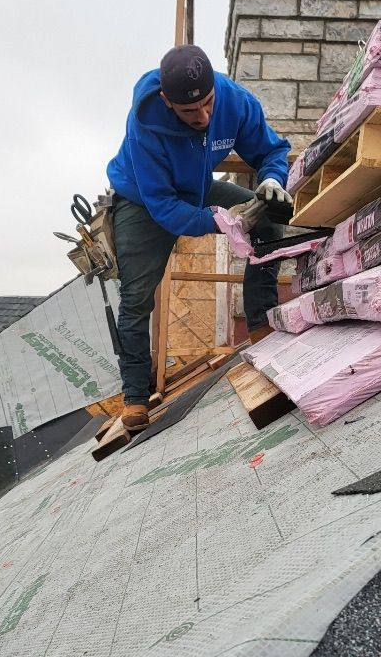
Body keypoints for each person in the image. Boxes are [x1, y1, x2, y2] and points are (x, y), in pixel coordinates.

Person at [106, 44, 292, 430]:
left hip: (197, 187)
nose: (203, 116)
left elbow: (271, 149)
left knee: (269, 222)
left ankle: (260, 326)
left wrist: (272, 177)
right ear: (166, 101)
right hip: (142, 200)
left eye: (208, 105)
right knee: (137, 296)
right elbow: (162, 206)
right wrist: (216, 221)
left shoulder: (234, 100)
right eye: (190, 111)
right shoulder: (144, 124)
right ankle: (136, 397)